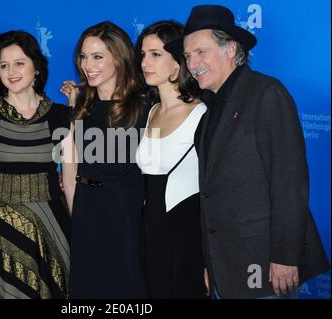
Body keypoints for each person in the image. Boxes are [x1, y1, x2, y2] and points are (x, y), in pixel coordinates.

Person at [165, 5, 330, 298]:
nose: (192, 63)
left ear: (230, 49)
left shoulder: (266, 93)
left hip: (264, 264)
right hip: (225, 266)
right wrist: (211, 262)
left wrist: (285, 257)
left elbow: (289, 182)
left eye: (201, 52)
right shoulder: (209, 111)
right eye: (188, 56)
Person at [0, 30, 76, 299]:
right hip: (1, 231)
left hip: (53, 227)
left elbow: (71, 179)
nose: (11, 71)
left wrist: (78, 230)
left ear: (36, 68)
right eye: (4, 65)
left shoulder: (62, 116)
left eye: (19, 63)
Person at [60, 21, 148, 298]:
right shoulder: (82, 104)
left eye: (98, 57)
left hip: (127, 216)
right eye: (84, 56)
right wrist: (77, 213)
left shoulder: (144, 106)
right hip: (87, 212)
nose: (88, 65)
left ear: (119, 59)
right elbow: (70, 165)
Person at [135, 20, 207, 298]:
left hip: (185, 237)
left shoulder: (201, 114)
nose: (144, 62)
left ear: (178, 62)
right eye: (142, 54)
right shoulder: (150, 111)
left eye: (155, 54)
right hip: (149, 234)